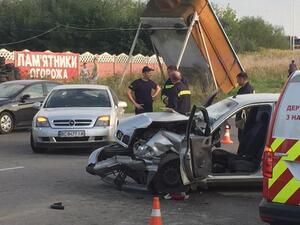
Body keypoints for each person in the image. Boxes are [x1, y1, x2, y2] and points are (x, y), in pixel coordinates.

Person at [235, 72, 255, 142]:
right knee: (241, 138)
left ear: (242, 79)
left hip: (245, 119)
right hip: (242, 118)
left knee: (243, 138)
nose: (237, 81)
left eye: (238, 79)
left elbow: (249, 106)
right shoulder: (242, 89)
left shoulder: (248, 90)